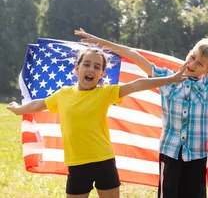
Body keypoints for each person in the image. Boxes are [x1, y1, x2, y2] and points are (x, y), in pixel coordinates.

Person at [74, 5, 208, 198]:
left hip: (197, 155)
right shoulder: (165, 78)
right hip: (170, 152)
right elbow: (133, 54)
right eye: (192, 57)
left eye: (200, 64)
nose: (193, 64)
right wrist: (99, 42)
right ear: (189, 53)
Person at [6, 47, 189, 198]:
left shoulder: (105, 93)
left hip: (104, 161)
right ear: (77, 68)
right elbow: (40, 104)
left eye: (97, 67)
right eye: (86, 64)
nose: (91, 69)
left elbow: (137, 84)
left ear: (101, 73)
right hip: (77, 164)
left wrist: (170, 79)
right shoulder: (63, 95)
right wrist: (19, 109)